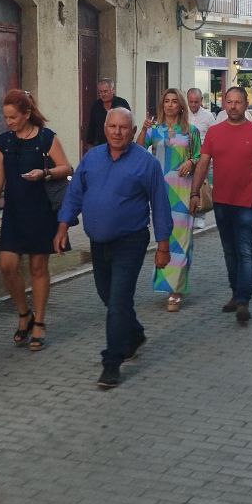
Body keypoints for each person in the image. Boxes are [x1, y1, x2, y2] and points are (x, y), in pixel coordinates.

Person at [56, 107, 171, 389]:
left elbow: (160, 205)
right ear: (105, 128)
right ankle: (134, 334)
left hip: (130, 241)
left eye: (123, 127)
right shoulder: (92, 158)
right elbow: (75, 193)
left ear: (133, 132)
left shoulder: (146, 163)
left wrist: (163, 245)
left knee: (118, 300)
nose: (117, 132)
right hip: (98, 242)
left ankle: (112, 363)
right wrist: (63, 226)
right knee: (107, 295)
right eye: (112, 126)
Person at [0, 89, 71, 351]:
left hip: (41, 210)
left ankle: (39, 322)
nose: (8, 122)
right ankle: (24, 313)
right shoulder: (4, 141)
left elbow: (66, 168)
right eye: (5, 117)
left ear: (26, 114)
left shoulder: (46, 137)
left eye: (13, 117)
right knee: (7, 265)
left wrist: (44, 173)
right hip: (14, 212)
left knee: (37, 267)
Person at [190, 86, 252, 324]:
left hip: (246, 203)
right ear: (224, 104)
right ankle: (236, 294)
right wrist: (194, 193)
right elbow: (203, 163)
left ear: (246, 104)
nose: (233, 106)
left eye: (238, 102)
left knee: (245, 251)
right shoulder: (214, 132)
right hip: (221, 202)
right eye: (229, 102)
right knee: (229, 251)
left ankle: (244, 301)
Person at [138, 89, 201, 311]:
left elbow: (200, 156)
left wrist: (191, 162)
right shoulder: (154, 130)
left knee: (181, 240)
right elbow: (138, 150)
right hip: (160, 191)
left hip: (183, 192)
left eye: (175, 101)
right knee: (164, 237)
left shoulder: (191, 131)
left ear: (181, 106)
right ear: (162, 105)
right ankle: (166, 283)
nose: (170, 105)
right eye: (167, 101)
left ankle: (176, 291)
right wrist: (143, 129)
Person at [186, 88, 216, 229]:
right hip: (186, 156)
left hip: (203, 157)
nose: (193, 105)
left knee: (201, 186)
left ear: (201, 101)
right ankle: (189, 214)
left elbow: (215, 136)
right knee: (187, 186)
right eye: (191, 102)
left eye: (196, 102)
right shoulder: (182, 114)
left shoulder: (208, 116)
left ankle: (201, 215)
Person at [83, 77, 130, 153]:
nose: (103, 94)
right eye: (100, 92)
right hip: (100, 146)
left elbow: (128, 124)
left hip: (119, 144)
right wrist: (89, 145)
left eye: (105, 91)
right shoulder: (96, 105)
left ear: (113, 90)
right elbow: (92, 126)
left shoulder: (122, 103)